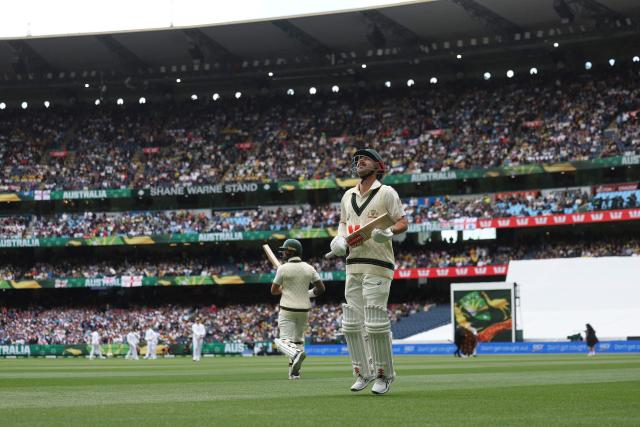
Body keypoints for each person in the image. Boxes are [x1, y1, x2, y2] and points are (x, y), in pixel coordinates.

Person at [325, 148, 408, 395]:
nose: (360, 161)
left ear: (378, 166)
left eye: (366, 159)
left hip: (378, 264)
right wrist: (339, 239)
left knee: (374, 323)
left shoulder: (386, 193)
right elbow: (342, 223)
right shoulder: (347, 195)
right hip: (353, 265)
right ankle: (363, 372)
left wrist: (390, 232)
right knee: (352, 324)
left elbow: (402, 221)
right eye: (358, 159)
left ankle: (384, 374)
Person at [271, 239, 325, 379]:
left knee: (283, 342)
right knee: (298, 340)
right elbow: (321, 288)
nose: (283, 253)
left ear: (291, 251)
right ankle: (294, 373)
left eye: (285, 250)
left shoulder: (282, 268)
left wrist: (285, 289)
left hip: (287, 308)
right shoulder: (309, 268)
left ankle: (295, 354)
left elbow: (274, 290)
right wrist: (307, 294)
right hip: (304, 310)